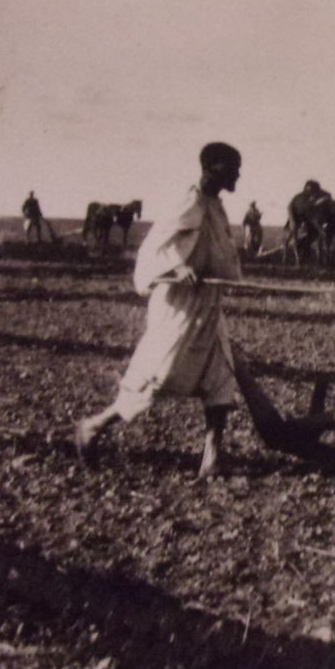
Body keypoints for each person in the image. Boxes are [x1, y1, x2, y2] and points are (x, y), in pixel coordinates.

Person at [75, 142, 246, 478]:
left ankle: (212, 458)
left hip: (208, 305)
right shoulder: (188, 200)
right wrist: (178, 269)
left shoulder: (215, 206)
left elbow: (219, 253)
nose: (239, 173)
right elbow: (154, 248)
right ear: (213, 166)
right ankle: (93, 426)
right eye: (233, 167)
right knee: (158, 375)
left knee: (220, 375)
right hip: (178, 306)